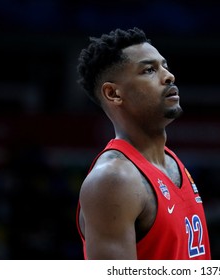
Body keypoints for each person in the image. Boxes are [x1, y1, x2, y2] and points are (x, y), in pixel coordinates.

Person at [75, 27, 211, 260]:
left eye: (164, 66)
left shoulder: (172, 162)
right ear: (113, 93)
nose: (168, 76)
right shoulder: (114, 180)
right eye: (149, 70)